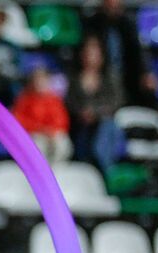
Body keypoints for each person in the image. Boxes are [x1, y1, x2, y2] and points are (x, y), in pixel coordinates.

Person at [81, 0, 158, 109]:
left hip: (127, 76)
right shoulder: (92, 25)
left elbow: (138, 53)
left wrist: (146, 72)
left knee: (149, 87)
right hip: (103, 76)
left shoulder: (128, 25)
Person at [66, 35, 126, 174]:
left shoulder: (110, 77)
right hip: (79, 123)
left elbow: (116, 101)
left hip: (103, 122)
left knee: (106, 128)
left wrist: (95, 113)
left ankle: (104, 169)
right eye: (87, 52)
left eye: (94, 52)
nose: (91, 56)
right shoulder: (74, 78)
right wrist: (82, 113)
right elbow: (70, 101)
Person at [11, 66, 71, 163]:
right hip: (33, 133)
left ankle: (56, 170)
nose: (39, 83)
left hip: (53, 133)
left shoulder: (55, 99)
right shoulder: (24, 99)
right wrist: (39, 128)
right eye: (36, 80)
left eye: (42, 80)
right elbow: (18, 120)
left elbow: (62, 120)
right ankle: (38, 171)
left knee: (62, 144)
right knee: (37, 145)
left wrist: (52, 131)